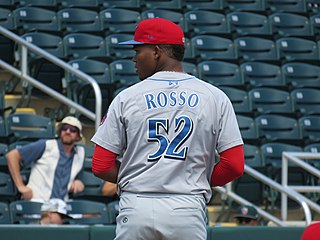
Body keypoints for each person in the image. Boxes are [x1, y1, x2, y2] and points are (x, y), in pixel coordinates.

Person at [91, 18, 244, 240]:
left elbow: (101, 165)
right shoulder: (214, 97)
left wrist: (135, 177)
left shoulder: (127, 97)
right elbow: (234, 165)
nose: (134, 58)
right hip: (187, 207)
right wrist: (198, 179)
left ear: (156, 51)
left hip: (137, 207)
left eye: (138, 50)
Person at [6, 116, 85, 201]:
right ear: (59, 132)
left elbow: (77, 178)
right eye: (64, 128)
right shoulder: (46, 145)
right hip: (37, 203)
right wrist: (21, 186)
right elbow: (12, 156)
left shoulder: (80, 153)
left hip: (61, 206)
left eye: (73, 130)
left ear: (78, 136)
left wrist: (78, 182)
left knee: (92, 213)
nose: (68, 132)